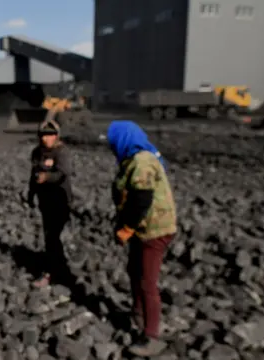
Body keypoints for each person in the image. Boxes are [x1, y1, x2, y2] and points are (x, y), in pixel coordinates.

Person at [106, 120, 177, 357]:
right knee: (133, 270)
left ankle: (151, 335)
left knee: (147, 281)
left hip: (154, 229)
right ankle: (138, 313)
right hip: (143, 228)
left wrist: (126, 228)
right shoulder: (132, 160)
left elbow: (141, 200)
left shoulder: (142, 162)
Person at [26, 119, 73, 287]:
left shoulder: (62, 152)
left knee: (53, 236)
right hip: (44, 201)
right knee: (50, 235)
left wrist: (47, 177)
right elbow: (33, 174)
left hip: (60, 200)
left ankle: (52, 271)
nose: (47, 139)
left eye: (50, 135)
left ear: (56, 136)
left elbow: (64, 172)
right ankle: (57, 267)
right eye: (44, 135)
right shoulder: (37, 153)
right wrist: (31, 194)